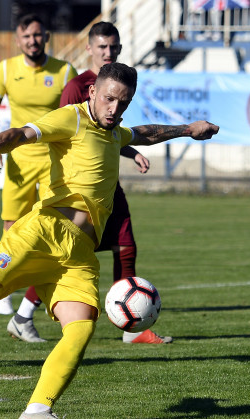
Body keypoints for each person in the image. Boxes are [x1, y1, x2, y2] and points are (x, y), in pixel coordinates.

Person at [0, 62, 219, 419]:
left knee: (82, 326)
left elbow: (143, 133)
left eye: (123, 103)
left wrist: (187, 129)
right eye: (108, 99)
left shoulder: (115, 132)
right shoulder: (71, 118)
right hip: (47, 231)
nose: (114, 109)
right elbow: (24, 133)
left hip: (79, 254)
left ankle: (37, 411)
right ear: (92, 93)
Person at [58, 21, 171, 345]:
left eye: (114, 47)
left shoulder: (120, 84)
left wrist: (131, 152)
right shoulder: (77, 87)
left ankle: (129, 328)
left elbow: (113, 135)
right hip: (76, 190)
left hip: (109, 186)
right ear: (90, 49)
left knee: (126, 247)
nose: (108, 53)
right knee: (66, 254)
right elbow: (76, 136)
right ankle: (24, 312)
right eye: (102, 47)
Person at [0, 13, 77, 342]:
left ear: (46, 36)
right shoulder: (6, 70)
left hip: (54, 161)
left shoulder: (65, 71)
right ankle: (3, 288)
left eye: (37, 36)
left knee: (53, 225)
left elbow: (78, 115)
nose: (32, 41)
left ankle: (43, 292)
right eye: (26, 37)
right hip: (18, 161)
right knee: (12, 226)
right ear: (18, 39)